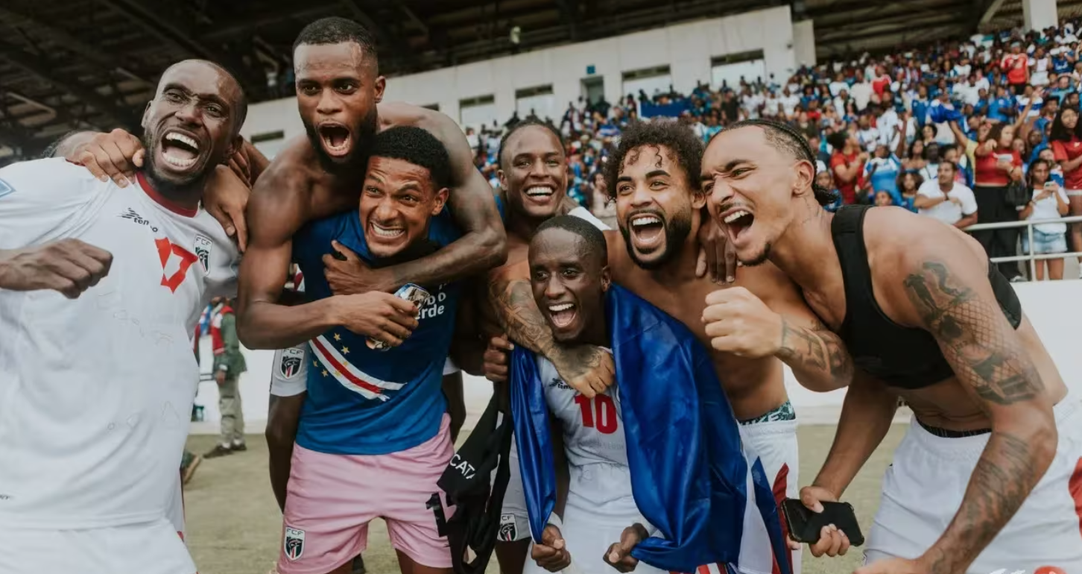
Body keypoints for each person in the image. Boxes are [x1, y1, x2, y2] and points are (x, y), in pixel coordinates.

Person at [702, 118, 1082, 574]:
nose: (719, 194)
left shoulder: (912, 253)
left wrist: (933, 566)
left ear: (801, 177)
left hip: (1034, 457)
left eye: (738, 172)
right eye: (709, 184)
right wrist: (828, 486)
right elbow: (878, 377)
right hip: (928, 455)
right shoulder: (791, 275)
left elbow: (1029, 424)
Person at [487, 121, 854, 574]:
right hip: (674, 445)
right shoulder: (611, 258)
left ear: (698, 195)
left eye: (658, 183)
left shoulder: (748, 263)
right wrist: (560, 352)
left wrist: (778, 334)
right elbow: (512, 283)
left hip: (753, 439)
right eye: (626, 187)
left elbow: (834, 372)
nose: (639, 196)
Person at [0, 59, 247, 574]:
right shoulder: (68, 185)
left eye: (213, 109)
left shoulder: (223, 240)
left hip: (149, 534)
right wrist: (10, 265)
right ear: (148, 113)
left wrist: (236, 179)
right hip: (28, 529)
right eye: (175, 97)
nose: (189, 114)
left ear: (230, 148)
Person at [493, 215, 755, 574]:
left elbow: (689, 463)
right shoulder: (532, 346)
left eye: (570, 272)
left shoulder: (661, 348)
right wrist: (550, 520)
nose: (552, 289)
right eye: (540, 274)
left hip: (652, 507)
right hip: (578, 501)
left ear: (603, 278)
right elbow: (550, 449)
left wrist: (648, 529)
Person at [254, 126, 463, 574]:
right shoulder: (318, 236)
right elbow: (252, 318)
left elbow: (509, 241)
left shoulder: (461, 239)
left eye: (407, 198)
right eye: (374, 192)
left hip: (421, 453)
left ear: (438, 201)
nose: (385, 212)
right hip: (327, 458)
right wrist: (340, 309)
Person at [204, 296, 248, 458]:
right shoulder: (221, 314)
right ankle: (237, 439)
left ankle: (225, 442)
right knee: (234, 401)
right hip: (228, 363)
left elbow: (231, 345)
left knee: (227, 401)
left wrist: (222, 368)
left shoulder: (225, 316)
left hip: (226, 364)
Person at [1019, 159, 1071, 281]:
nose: (1042, 174)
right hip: (1034, 234)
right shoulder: (1026, 190)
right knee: (1036, 279)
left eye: (1045, 171)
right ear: (1031, 172)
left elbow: (1065, 211)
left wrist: (1056, 193)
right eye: (1038, 171)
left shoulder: (1057, 188)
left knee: (1057, 279)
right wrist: (1036, 199)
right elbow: (1021, 216)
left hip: (1056, 234)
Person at [1048, 105, 1082, 278]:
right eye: (1065, 116)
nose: (1070, 119)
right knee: (1078, 226)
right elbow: (1066, 166)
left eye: (1073, 115)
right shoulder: (1058, 141)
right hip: (1076, 186)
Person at [913, 161, 978, 229]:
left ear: (955, 173)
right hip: (926, 231)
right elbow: (918, 203)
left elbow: (972, 218)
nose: (942, 173)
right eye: (939, 170)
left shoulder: (965, 191)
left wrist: (950, 228)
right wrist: (945, 198)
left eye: (946, 170)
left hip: (951, 234)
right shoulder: (928, 185)